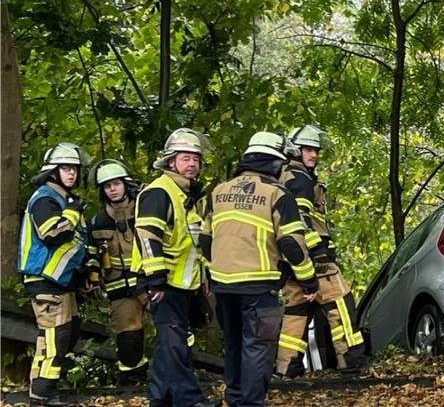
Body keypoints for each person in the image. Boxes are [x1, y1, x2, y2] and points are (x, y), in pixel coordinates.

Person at [205, 131, 318, 406]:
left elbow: (205, 239)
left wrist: (216, 269)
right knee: (257, 348)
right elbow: (292, 244)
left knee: (233, 344)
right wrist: (308, 281)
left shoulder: (219, 191)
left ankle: (234, 398)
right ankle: (251, 403)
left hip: (222, 284)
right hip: (258, 285)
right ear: (276, 163)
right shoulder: (277, 193)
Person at [275, 125, 367, 377]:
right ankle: (351, 360)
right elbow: (301, 221)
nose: (313, 155)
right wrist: (319, 254)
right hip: (315, 260)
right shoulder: (300, 179)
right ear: (295, 151)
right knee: (341, 303)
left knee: (296, 311)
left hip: (289, 259)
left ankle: (287, 366)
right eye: (307, 149)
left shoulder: (282, 178)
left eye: (315, 150)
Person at [134, 128, 216, 407]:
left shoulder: (191, 195)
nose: (192, 163)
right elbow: (147, 237)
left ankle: (160, 398)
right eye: (185, 158)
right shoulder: (160, 192)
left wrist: (203, 277)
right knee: (174, 342)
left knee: (169, 342)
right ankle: (189, 400)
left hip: (184, 282)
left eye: (195, 158)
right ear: (171, 162)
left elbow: (192, 243)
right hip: (163, 283)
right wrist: (155, 279)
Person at [17, 143, 93, 406]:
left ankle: (46, 390)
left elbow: (77, 245)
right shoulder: (46, 198)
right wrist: (72, 212)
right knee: (54, 337)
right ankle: (42, 395)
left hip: (62, 282)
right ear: (53, 171)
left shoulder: (64, 199)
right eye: (65, 168)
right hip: (45, 281)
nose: (71, 174)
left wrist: (84, 275)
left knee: (66, 335)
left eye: (74, 169)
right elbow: (53, 233)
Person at [87, 159, 149, 385]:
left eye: (116, 184)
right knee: (128, 335)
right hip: (119, 286)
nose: (112, 189)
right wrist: (92, 277)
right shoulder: (97, 222)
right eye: (107, 186)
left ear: (126, 184)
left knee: (172, 327)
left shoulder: (145, 210)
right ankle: (132, 379)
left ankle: (177, 375)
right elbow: (92, 255)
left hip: (151, 280)